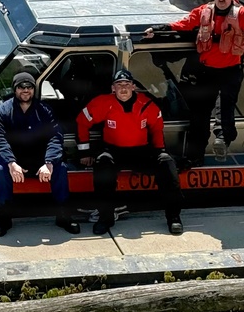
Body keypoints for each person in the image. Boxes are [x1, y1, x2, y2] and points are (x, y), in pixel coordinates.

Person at [144, 0, 244, 163]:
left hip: (230, 72)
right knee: (199, 116)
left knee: (225, 108)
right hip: (206, 72)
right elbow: (184, 24)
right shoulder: (203, 12)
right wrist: (160, 28)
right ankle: (195, 157)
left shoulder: (241, 13)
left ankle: (222, 142)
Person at [76, 69, 183, 235]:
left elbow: (157, 128)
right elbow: (82, 122)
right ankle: (106, 218)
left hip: (141, 151)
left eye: (127, 84)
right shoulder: (103, 103)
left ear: (133, 87)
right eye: (119, 85)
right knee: (102, 166)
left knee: (167, 164)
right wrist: (84, 153)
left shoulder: (147, 104)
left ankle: (174, 217)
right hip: (113, 150)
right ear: (113, 88)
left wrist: (161, 151)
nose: (123, 88)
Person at [0, 72, 81, 237]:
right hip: (14, 159)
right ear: (15, 89)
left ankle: (63, 214)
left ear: (34, 89)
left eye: (29, 87)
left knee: (61, 169)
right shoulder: (2, 111)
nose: (25, 90)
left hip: (40, 158)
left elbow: (55, 137)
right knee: (0, 171)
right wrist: (11, 163)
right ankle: (4, 217)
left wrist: (49, 162)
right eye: (21, 87)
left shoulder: (45, 110)